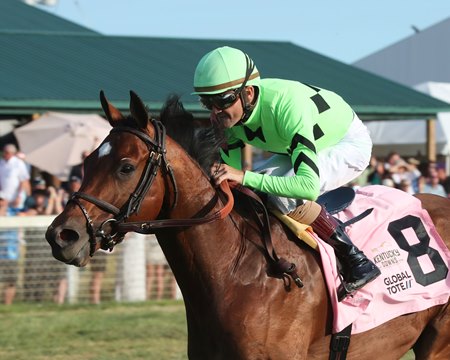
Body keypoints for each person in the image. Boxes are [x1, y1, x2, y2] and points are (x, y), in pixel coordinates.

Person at [192, 46, 380, 297]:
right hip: (299, 146)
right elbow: (232, 176)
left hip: (345, 143)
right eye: (207, 102)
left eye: (222, 101)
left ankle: (355, 260)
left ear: (248, 93)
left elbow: (307, 186)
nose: (215, 111)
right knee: (253, 191)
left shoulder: (286, 106)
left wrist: (243, 176)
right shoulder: (229, 117)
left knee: (282, 194)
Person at [0, 144, 31, 210]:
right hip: (3, 197)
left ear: (11, 153)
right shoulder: (1, 163)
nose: (4, 154)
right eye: (4, 151)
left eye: (6, 152)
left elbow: (23, 181)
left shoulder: (19, 163)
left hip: (15, 197)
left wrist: (19, 196)